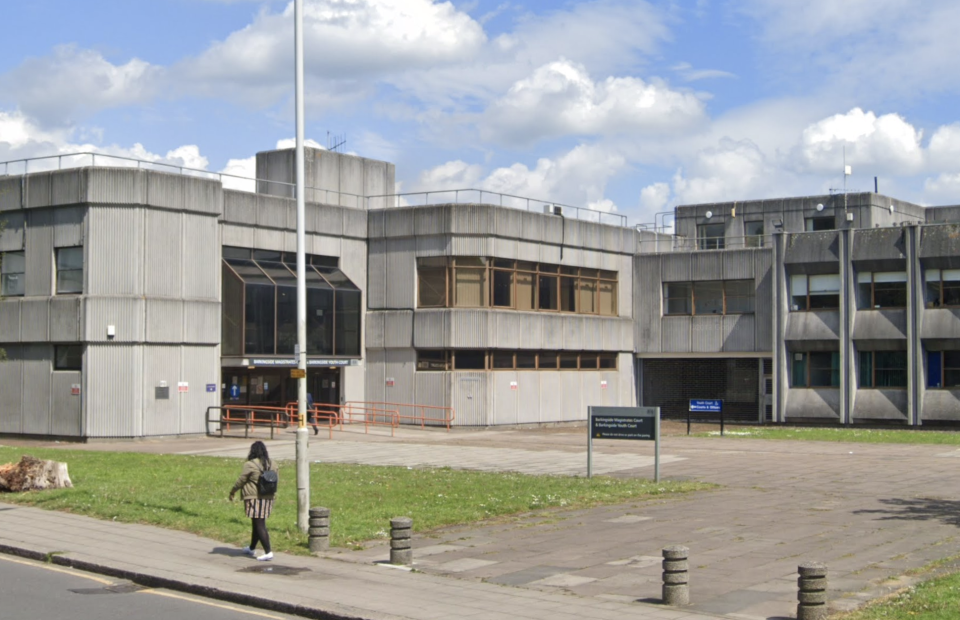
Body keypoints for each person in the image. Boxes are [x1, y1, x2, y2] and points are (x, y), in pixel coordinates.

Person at [228, 441, 276, 561]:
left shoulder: (250, 465)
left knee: (259, 524)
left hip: (254, 498)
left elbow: (241, 480)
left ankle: (268, 551)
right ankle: (251, 548)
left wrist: (233, 491)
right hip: (268, 497)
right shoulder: (273, 464)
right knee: (256, 522)